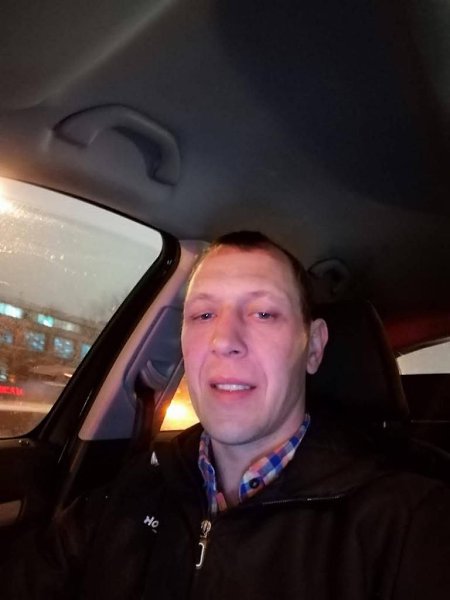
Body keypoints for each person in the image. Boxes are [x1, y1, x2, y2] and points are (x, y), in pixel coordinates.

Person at [2, 231, 450, 599]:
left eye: (263, 313)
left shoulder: (411, 526)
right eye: (203, 314)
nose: (223, 340)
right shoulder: (129, 494)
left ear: (313, 347)